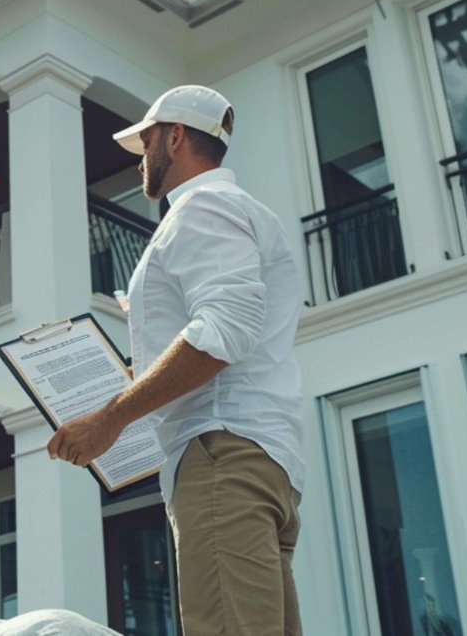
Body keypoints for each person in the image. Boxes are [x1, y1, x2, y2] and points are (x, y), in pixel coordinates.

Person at [46, 85, 305, 636]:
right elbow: (228, 329)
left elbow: (225, 331)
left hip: (221, 456)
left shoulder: (202, 207)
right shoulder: (241, 212)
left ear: (176, 135)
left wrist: (109, 417)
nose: (142, 157)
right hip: (258, 458)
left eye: (145, 142)